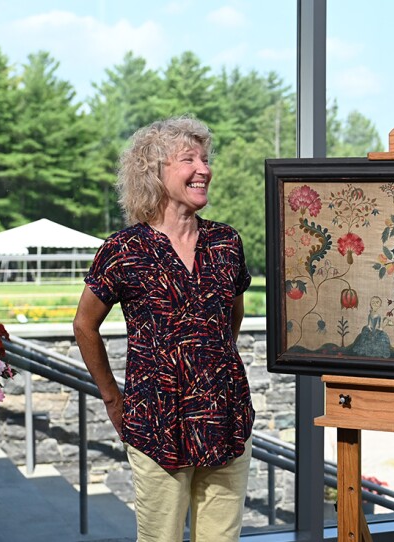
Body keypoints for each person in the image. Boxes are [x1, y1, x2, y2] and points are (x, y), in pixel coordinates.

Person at [73, 116, 254, 542]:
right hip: (156, 421)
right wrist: (113, 398)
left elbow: (232, 315)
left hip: (225, 417)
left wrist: (212, 366)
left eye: (206, 159)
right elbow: (84, 325)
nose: (204, 168)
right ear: (154, 171)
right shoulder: (124, 250)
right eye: (188, 159)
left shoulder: (227, 243)